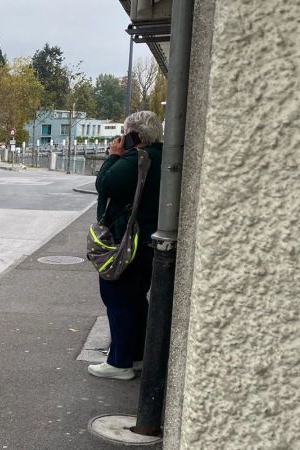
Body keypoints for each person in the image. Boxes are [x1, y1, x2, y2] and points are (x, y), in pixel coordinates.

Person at [88, 111, 163, 380]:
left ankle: (119, 363)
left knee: (117, 297)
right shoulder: (163, 156)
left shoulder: (137, 159)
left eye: (125, 132)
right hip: (151, 240)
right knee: (135, 299)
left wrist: (113, 155)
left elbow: (105, 184)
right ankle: (137, 354)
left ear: (135, 135)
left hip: (130, 240)